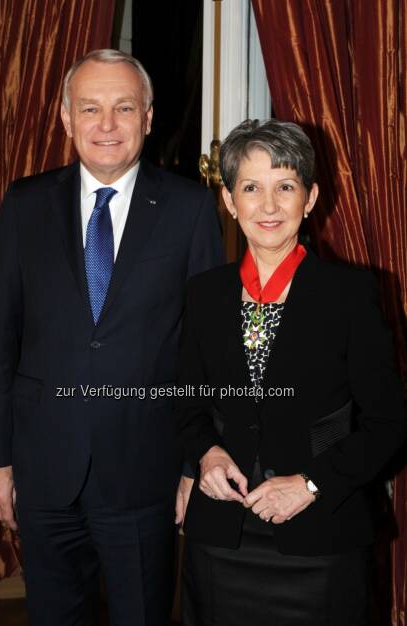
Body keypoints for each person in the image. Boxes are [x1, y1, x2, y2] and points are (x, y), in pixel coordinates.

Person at [0, 49, 223, 626]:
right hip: (42, 470)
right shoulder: (23, 204)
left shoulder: (190, 209)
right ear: (65, 118)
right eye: (90, 108)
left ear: (149, 117)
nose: (106, 125)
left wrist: (194, 462)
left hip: (144, 472)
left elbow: (206, 350)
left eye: (123, 108)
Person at [175, 119, 406, 626]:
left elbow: (389, 424)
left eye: (286, 187)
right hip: (223, 538)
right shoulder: (205, 295)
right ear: (230, 201)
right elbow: (186, 402)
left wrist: (311, 484)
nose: (270, 205)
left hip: (321, 536)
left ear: (311, 196)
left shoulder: (351, 295)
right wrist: (205, 454)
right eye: (251, 188)